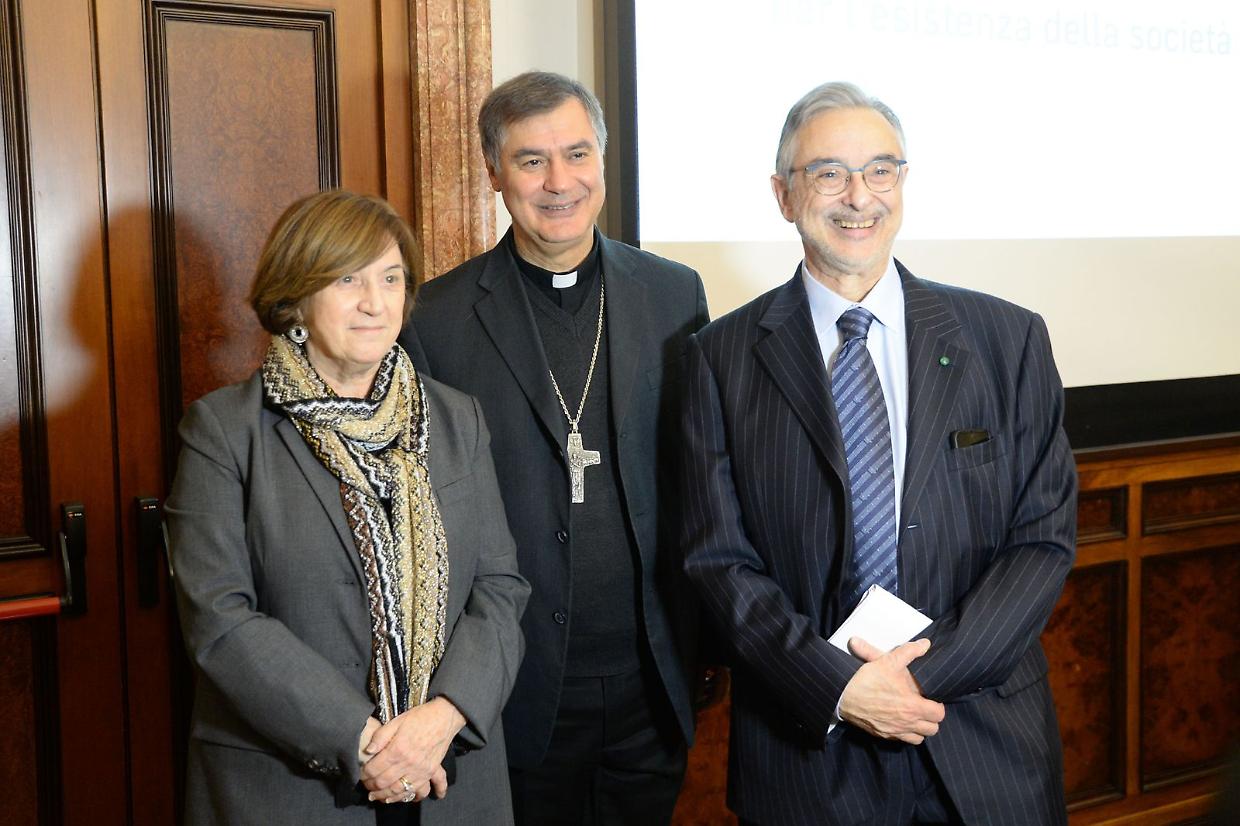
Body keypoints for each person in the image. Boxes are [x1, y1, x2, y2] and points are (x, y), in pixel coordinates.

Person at [679, 82, 1077, 825]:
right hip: (810, 753)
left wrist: (913, 684)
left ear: (903, 184)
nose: (857, 197)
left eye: (880, 171)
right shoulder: (720, 358)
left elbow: (1041, 541)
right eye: (828, 173)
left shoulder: (1008, 340)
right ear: (783, 194)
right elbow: (718, 562)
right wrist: (839, 686)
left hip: (983, 738)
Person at [399, 71, 709, 825]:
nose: (560, 181)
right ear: (494, 172)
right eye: (532, 160)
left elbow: (704, 476)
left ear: (602, 157)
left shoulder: (675, 294)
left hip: (653, 683)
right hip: (517, 691)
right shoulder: (437, 319)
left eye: (577, 154)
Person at [166, 189, 530, 825]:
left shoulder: (455, 419)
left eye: (392, 278)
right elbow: (220, 620)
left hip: (448, 775)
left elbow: (499, 588)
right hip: (290, 787)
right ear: (296, 297)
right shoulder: (225, 431)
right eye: (347, 279)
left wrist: (441, 722)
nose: (375, 302)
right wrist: (368, 745)